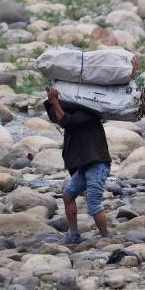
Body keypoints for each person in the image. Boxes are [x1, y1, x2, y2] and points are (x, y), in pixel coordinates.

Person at [45, 86, 112, 244]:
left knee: (94, 204)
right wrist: (52, 101)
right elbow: (55, 116)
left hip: (97, 164)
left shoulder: (88, 113)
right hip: (84, 165)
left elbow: (66, 122)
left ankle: (106, 239)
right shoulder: (76, 111)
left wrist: (55, 101)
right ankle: (74, 234)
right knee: (68, 196)